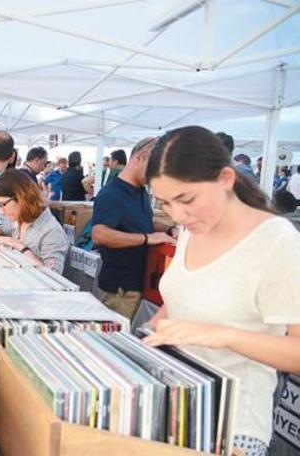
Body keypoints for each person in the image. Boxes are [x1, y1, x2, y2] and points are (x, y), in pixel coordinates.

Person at [142, 125, 300, 456]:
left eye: (186, 199)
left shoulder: (278, 243)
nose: (178, 215)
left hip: (231, 428)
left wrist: (221, 335)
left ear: (226, 179)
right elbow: (179, 303)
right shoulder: (192, 228)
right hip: (172, 411)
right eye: (165, 203)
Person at [91, 137, 176, 320]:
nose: (156, 177)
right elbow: (99, 234)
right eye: (154, 170)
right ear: (141, 157)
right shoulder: (111, 194)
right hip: (120, 288)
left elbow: (142, 222)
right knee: (115, 340)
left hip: (137, 284)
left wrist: (169, 230)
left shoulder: (140, 192)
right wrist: (146, 238)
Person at [0, 170, 70, 272]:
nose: (2, 212)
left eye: (3, 205)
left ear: (21, 197)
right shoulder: (18, 219)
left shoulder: (52, 232)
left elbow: (54, 278)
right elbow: (6, 230)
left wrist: (20, 247)